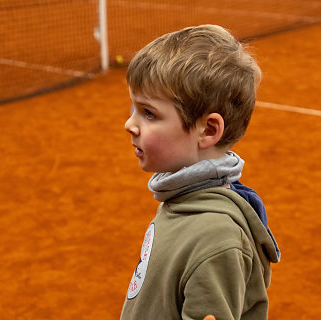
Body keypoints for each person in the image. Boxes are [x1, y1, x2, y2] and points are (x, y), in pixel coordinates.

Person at [121, 24, 280, 320]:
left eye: (149, 113)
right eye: (133, 108)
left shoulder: (215, 239)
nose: (129, 124)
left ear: (207, 130)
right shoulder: (185, 199)